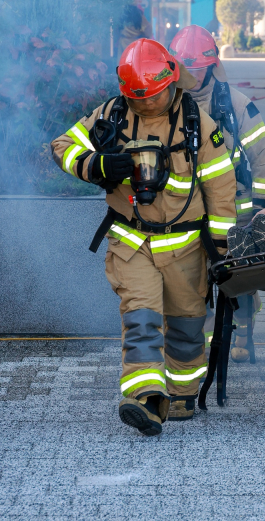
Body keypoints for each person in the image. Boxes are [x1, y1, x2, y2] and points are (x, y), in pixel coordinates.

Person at [51, 38, 236, 436]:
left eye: (152, 96)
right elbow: (63, 147)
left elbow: (221, 188)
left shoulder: (197, 123)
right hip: (132, 242)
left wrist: (222, 251)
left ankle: (182, 394)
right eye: (139, 98)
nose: (147, 104)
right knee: (141, 319)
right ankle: (147, 397)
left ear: (170, 81)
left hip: (186, 247)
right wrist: (97, 164)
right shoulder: (112, 114)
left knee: (187, 327)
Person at [169, 25, 265, 362]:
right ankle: (205, 342)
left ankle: (243, 333)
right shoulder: (168, 102)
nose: (192, 76)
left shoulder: (236, 104)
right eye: (186, 68)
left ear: (212, 65)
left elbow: (262, 154)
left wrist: (260, 204)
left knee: (239, 276)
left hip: (235, 208)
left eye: (199, 68)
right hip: (187, 210)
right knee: (192, 279)